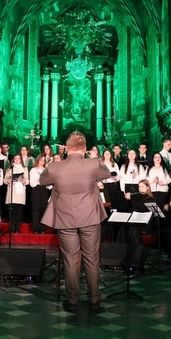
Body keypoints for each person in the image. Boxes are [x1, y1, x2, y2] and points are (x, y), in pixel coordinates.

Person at [40, 131, 111, 313]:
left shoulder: (55, 167)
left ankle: (72, 300)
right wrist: (91, 157)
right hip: (89, 217)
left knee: (70, 259)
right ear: (85, 149)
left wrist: (55, 162)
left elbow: (42, 180)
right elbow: (106, 173)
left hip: (65, 217)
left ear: (65, 148)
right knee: (91, 258)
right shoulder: (93, 164)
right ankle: (94, 300)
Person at [4, 154, 29, 233]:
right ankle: (12, 226)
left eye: (19, 159)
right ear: (13, 160)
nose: (17, 160)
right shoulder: (10, 169)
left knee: (19, 209)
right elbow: (4, 179)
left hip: (20, 190)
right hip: (12, 190)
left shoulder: (24, 169)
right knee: (11, 209)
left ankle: (17, 226)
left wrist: (25, 181)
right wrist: (7, 180)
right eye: (16, 159)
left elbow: (28, 180)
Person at [29, 154, 50, 233]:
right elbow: (32, 183)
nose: (42, 162)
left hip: (44, 189)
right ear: (38, 160)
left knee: (43, 209)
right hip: (36, 189)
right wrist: (39, 180)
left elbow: (48, 182)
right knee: (35, 209)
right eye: (41, 160)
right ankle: (35, 228)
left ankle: (42, 228)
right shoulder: (33, 170)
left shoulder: (46, 170)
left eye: (44, 160)